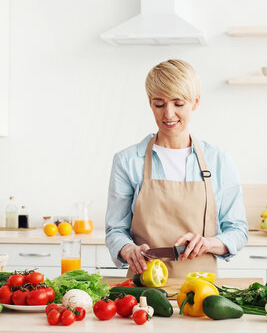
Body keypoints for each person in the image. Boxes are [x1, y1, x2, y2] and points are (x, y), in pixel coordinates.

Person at [105, 59, 248, 277]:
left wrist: (207, 243)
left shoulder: (218, 160)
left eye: (178, 103)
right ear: (150, 103)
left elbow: (238, 231)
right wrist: (128, 249)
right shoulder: (128, 160)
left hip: (202, 292)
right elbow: (116, 230)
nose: (168, 114)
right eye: (159, 104)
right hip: (144, 291)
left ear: (196, 102)